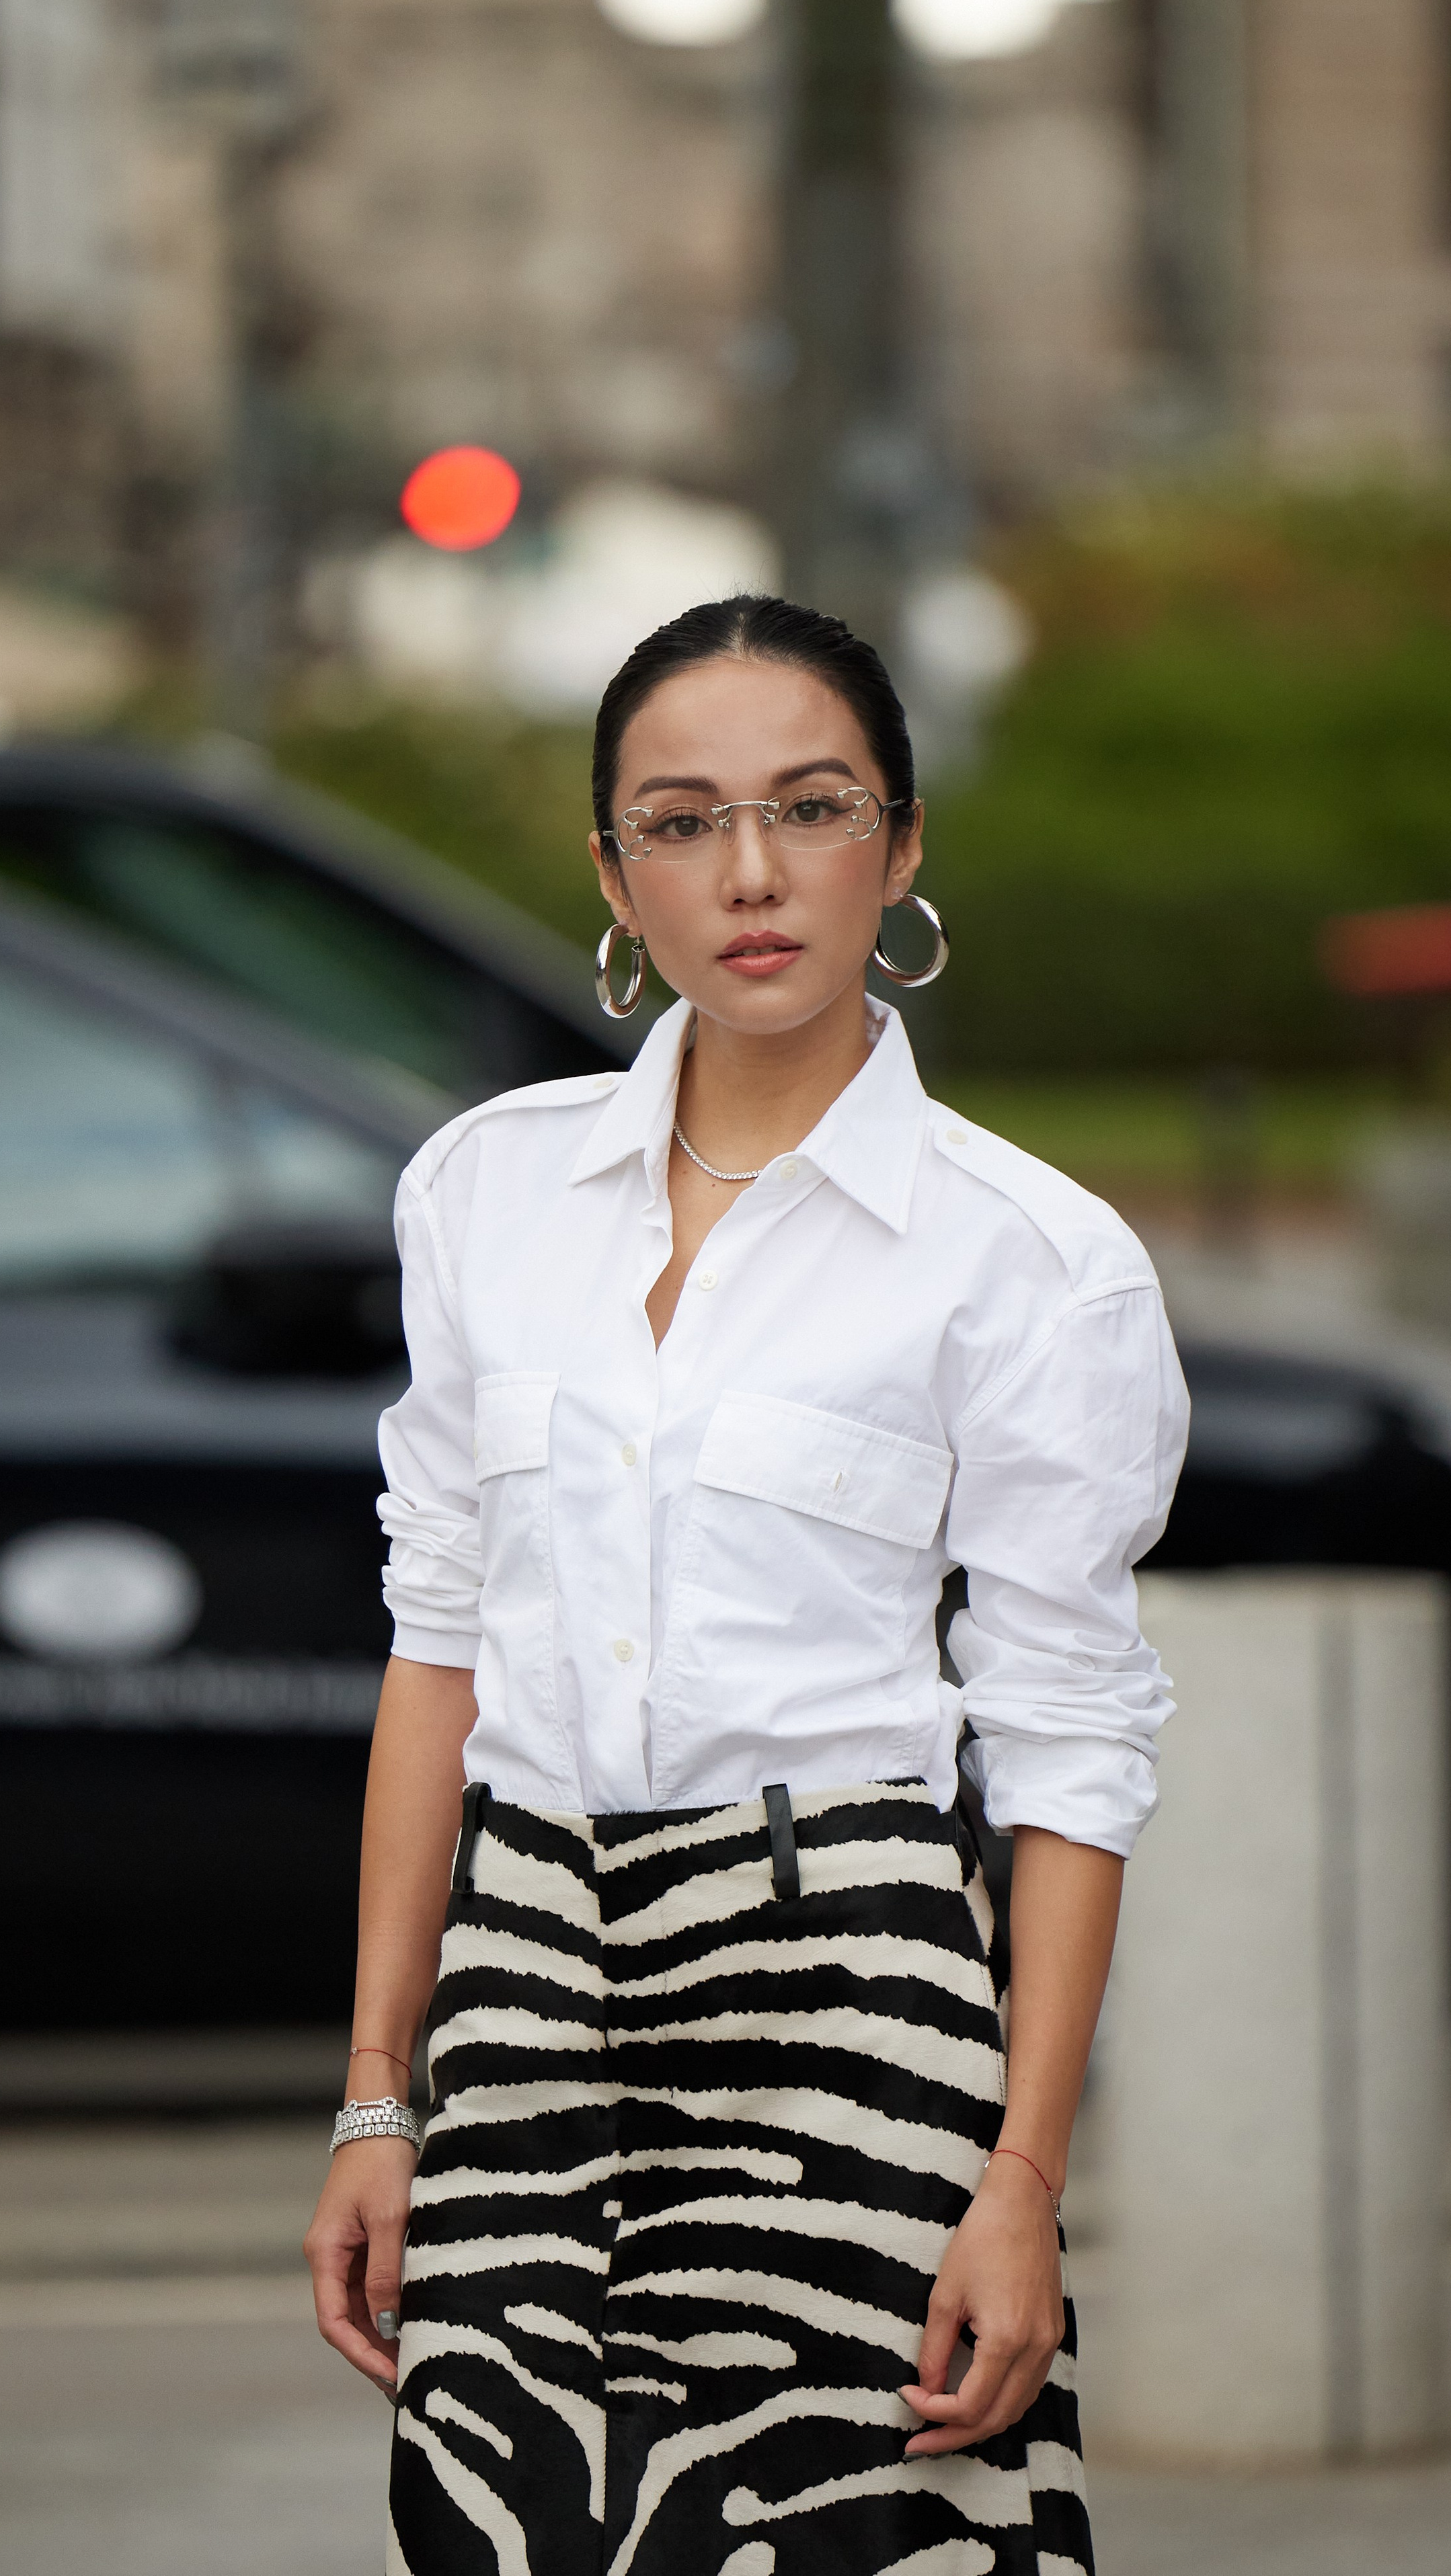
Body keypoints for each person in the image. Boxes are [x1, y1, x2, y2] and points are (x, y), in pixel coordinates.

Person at [303, 595, 1188, 2575]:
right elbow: (436, 1647)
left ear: (905, 841)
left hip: (845, 1986)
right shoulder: (482, 1196)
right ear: (613, 870)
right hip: (523, 1987)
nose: (756, 874)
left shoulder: (1029, 1261)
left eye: (811, 806)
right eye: (684, 822)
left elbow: (1069, 1748)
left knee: (848, 2541)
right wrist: (380, 2099)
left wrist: (1023, 2178)